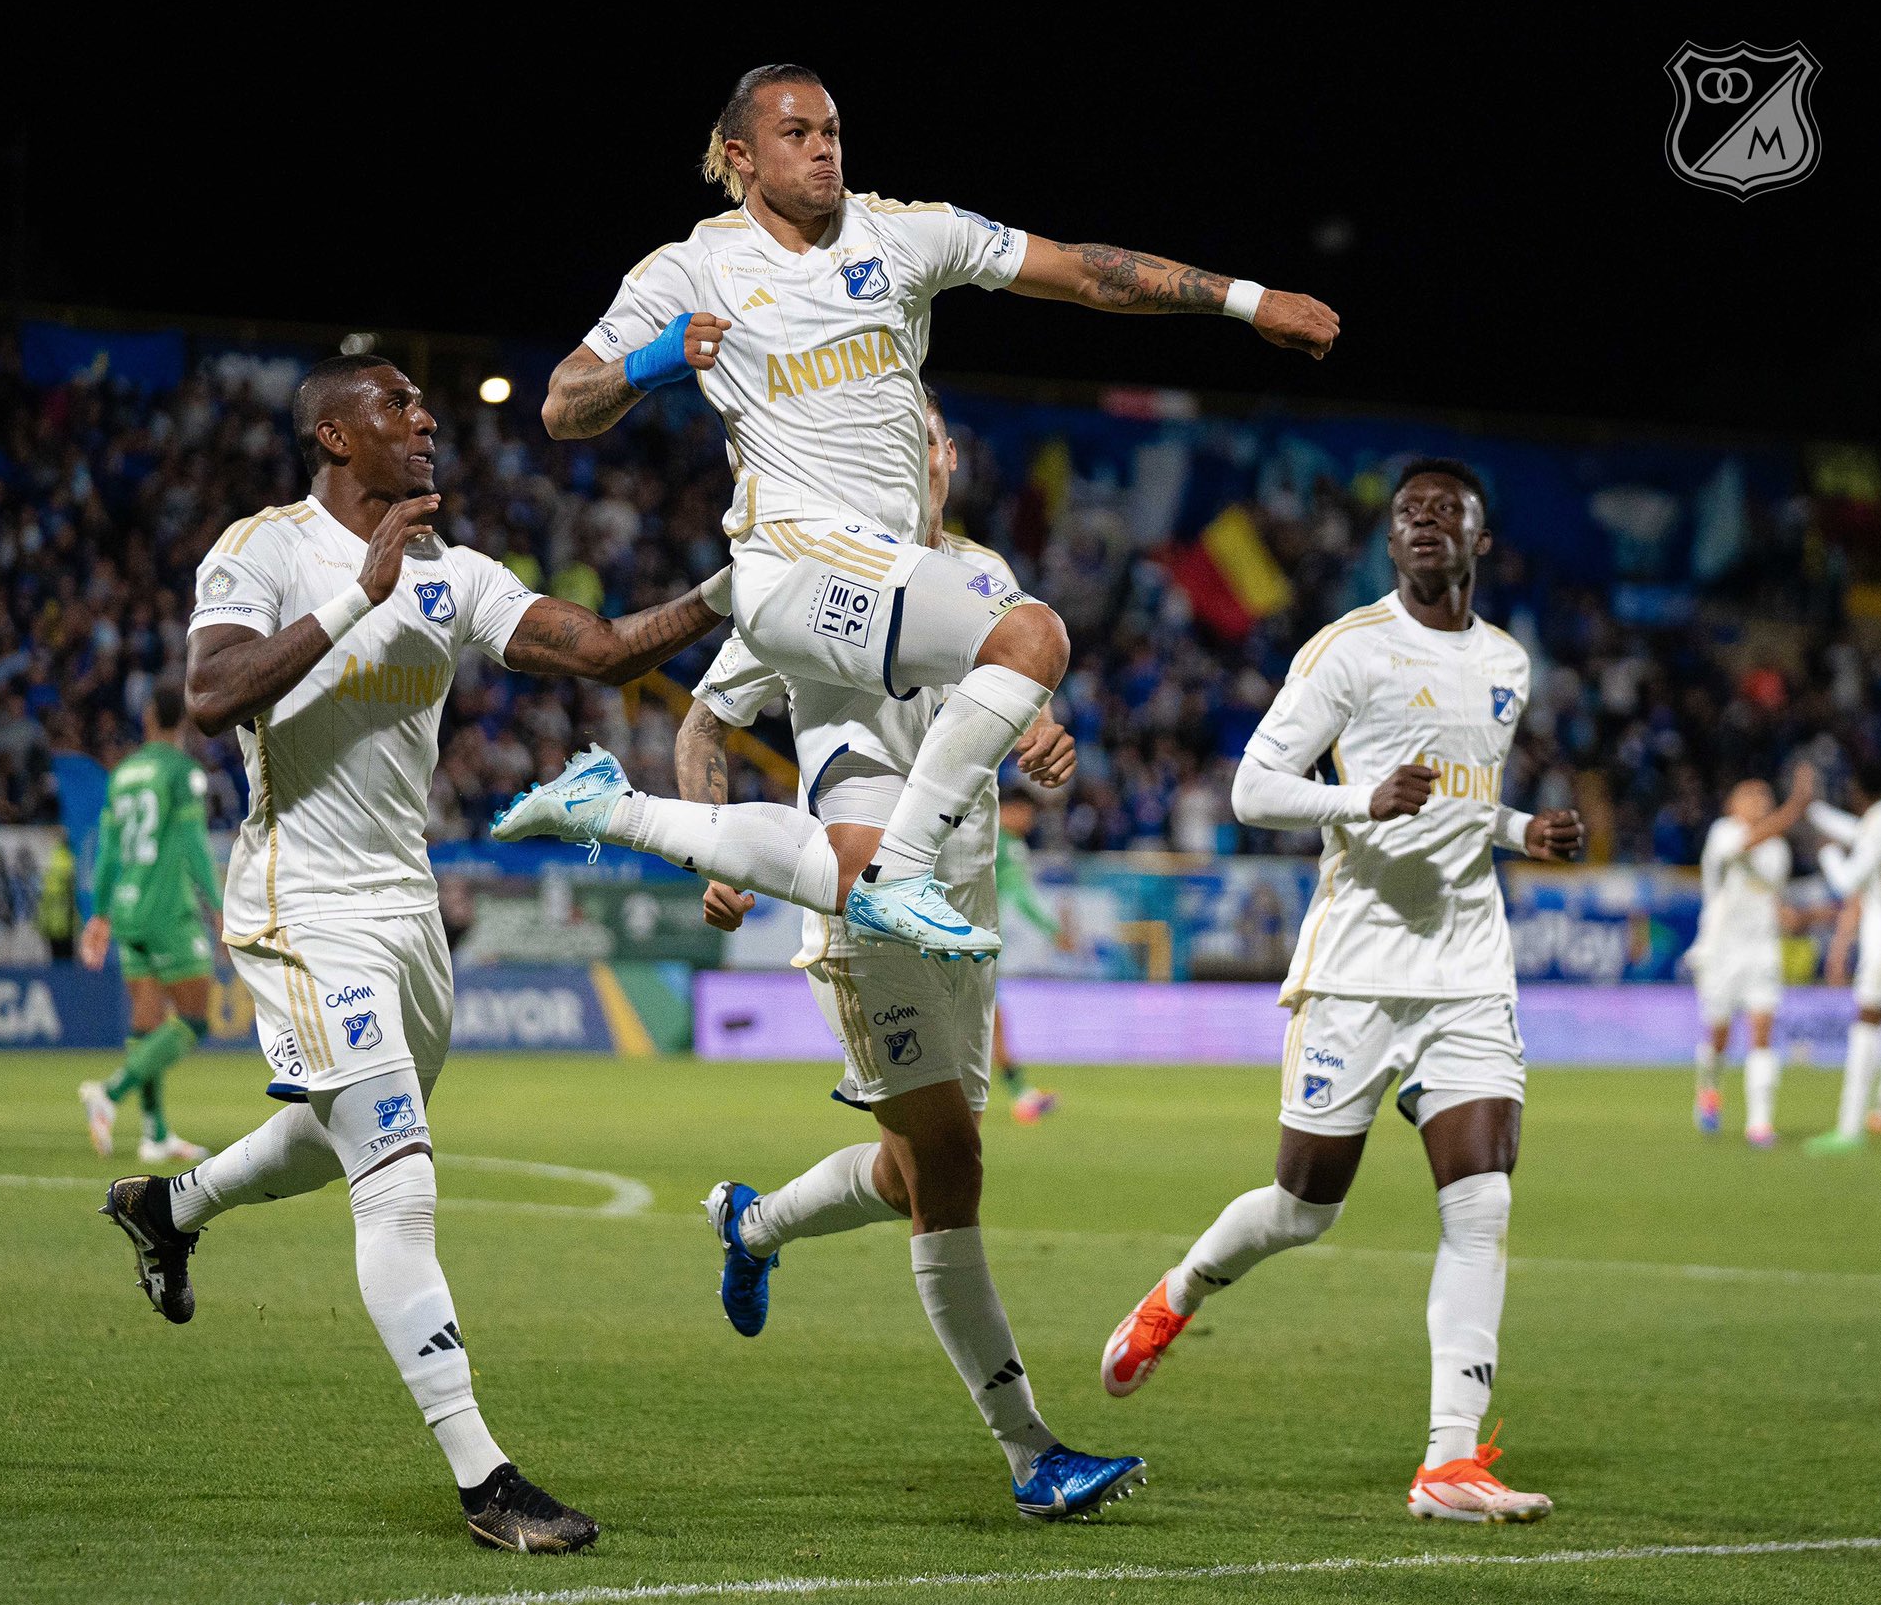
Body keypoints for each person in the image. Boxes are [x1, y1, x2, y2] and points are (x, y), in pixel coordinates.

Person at [97, 355, 731, 1554]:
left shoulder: (451, 573)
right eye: (398, 406)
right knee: (397, 1171)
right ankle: (482, 1476)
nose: (426, 419)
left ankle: (168, 1208)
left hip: (406, 909)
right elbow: (210, 694)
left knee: (345, 1134)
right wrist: (353, 597)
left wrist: (731, 589)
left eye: (423, 406)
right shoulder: (264, 548)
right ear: (336, 437)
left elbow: (596, 650)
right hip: (303, 902)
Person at [498, 62, 1337, 962]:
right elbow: (560, 404)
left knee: (850, 875)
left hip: (873, 580)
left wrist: (1247, 301)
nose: (825, 150)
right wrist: (649, 362)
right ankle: (907, 872)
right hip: (793, 559)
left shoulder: (904, 235)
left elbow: (1084, 273)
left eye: (832, 131)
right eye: (798, 135)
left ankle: (611, 808)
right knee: (1034, 637)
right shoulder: (688, 268)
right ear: (740, 156)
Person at [651, 389, 1139, 1521]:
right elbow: (702, 724)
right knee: (952, 1163)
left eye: (911, 442)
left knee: (923, 1165)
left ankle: (753, 1222)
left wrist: (1039, 733)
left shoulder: (979, 575)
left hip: (963, 907)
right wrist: (713, 849)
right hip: (864, 900)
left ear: (944, 458)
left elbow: (1006, 704)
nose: (894, 459)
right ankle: (1030, 1456)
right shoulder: (799, 578)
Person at [1099, 460, 1585, 1524]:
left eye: (1443, 513)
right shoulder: (1347, 651)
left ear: (1478, 539)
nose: (1421, 526)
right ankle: (1175, 1294)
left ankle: (1446, 1462)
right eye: (1405, 514)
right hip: (1358, 968)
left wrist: (1517, 830)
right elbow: (1251, 788)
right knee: (1300, 1208)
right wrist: (1358, 798)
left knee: (1482, 1200)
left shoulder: (1507, 663)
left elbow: (1462, 802)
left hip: (1466, 964)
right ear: (1388, 541)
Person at [78, 680, 222, 1163]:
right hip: (167, 910)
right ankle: (110, 1093)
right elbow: (194, 846)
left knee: (147, 1022)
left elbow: (107, 853)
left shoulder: (121, 775)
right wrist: (218, 905)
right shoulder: (182, 772)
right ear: (183, 721)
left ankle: (155, 1134)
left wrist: (99, 915)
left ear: (146, 719)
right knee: (196, 1020)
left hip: (127, 907)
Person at [1687, 768, 1814, 1145]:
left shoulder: (1778, 849)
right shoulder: (1723, 833)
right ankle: (1709, 1086)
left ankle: (1759, 1123)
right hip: (1721, 950)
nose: (1760, 801)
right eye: (1750, 794)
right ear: (1732, 804)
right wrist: (1794, 808)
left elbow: (1770, 894)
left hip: (1761, 949)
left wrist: (1792, 915)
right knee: (1720, 1035)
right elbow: (1747, 845)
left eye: (1765, 795)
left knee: (1762, 1032)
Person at [1806, 761, 1881, 1154]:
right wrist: (1814, 811)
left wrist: (1828, 855)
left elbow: (1847, 880)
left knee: (1866, 1021)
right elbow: (1857, 831)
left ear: (1860, 794)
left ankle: (1850, 1129)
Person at [992, 787, 1064, 1122]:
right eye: (1027, 812)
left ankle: (1022, 1094)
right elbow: (1021, 895)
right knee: (990, 1022)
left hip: (960, 941)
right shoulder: (1006, 844)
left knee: (991, 1022)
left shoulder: (980, 835)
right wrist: (1054, 929)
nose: (1030, 821)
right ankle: (1021, 1095)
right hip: (969, 943)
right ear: (1010, 810)